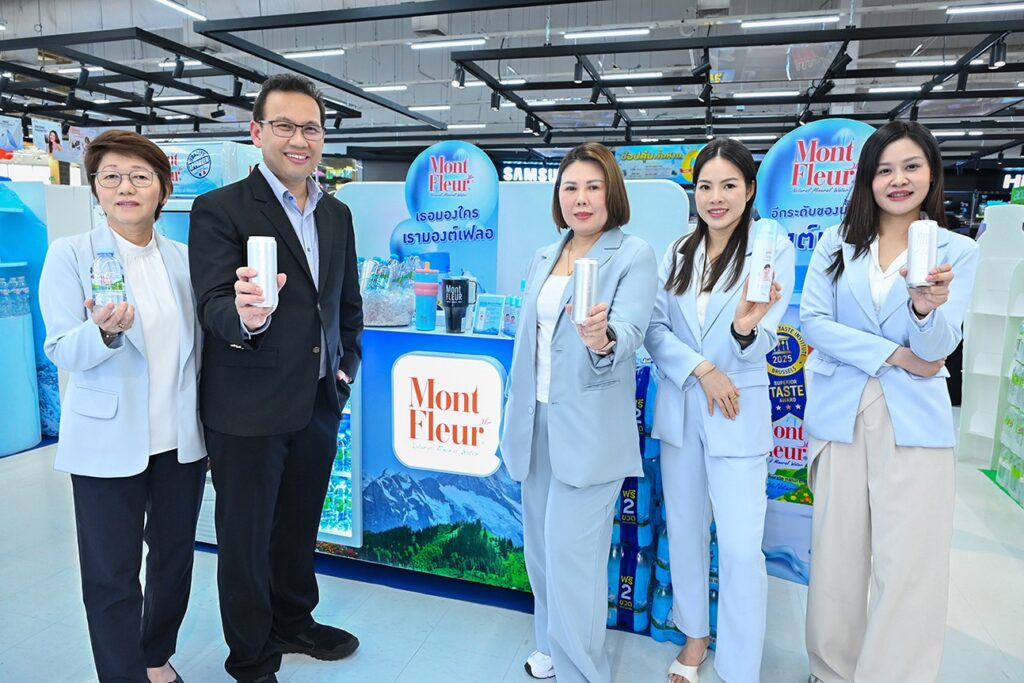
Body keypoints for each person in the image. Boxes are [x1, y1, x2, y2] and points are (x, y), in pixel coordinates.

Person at [188, 73, 363, 683]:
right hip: (246, 406)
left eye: (310, 128)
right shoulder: (221, 209)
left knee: (298, 525)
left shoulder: (336, 213)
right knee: (245, 538)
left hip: (317, 399)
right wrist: (246, 316)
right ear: (256, 131)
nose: (298, 139)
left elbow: (345, 303)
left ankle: (293, 621)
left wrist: (345, 368)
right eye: (284, 125)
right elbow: (212, 303)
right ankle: (251, 655)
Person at [801, 121, 979, 683]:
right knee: (837, 555)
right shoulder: (837, 243)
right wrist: (895, 355)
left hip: (915, 424)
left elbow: (937, 348)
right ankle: (831, 669)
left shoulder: (958, 251)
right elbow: (813, 322)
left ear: (932, 173)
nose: (898, 180)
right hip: (842, 413)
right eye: (884, 170)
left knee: (910, 564)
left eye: (911, 167)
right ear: (867, 179)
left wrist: (925, 311)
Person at [38, 130, 206, 683]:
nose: (125, 188)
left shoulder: (184, 260)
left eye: (139, 176)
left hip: (179, 441)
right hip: (105, 442)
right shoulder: (70, 254)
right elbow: (61, 347)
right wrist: (104, 334)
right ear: (95, 188)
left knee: (173, 560)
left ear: (163, 189)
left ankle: (155, 659)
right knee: (111, 574)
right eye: (110, 177)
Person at [500, 142, 657, 683]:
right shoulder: (546, 254)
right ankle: (550, 644)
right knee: (543, 552)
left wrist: (602, 336)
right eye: (571, 187)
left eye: (593, 186)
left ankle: (583, 672)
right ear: (558, 196)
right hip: (535, 422)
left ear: (612, 193)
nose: (581, 198)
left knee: (574, 559)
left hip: (589, 431)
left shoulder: (632, 254)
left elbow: (631, 332)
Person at [644, 138, 795, 683]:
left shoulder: (769, 249)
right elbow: (654, 329)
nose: (716, 197)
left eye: (729, 185)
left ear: (749, 189)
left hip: (737, 413)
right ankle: (694, 639)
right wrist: (702, 369)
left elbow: (764, 338)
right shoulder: (678, 250)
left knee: (739, 547)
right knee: (685, 532)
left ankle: (739, 665)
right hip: (683, 408)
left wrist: (743, 330)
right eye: (705, 186)